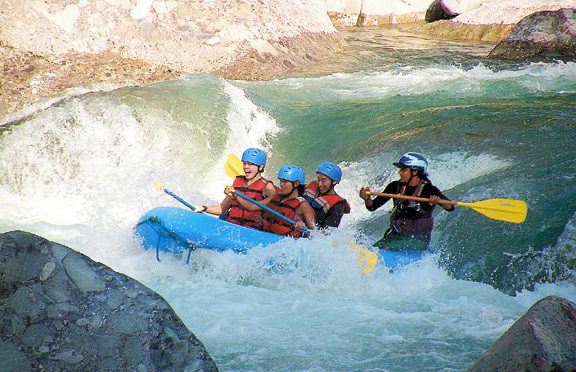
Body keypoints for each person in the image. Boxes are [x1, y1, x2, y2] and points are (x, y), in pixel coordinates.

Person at [359, 152, 454, 251]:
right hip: (395, 236)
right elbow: (372, 207)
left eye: (403, 170)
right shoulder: (395, 186)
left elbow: (450, 207)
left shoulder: (429, 189)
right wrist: (367, 199)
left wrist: (438, 200)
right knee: (369, 250)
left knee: (384, 249)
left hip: (417, 240)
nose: (400, 172)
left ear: (415, 172)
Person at [227, 165, 316, 238]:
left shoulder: (303, 205)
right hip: (264, 237)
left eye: (285, 182)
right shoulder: (274, 197)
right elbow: (251, 207)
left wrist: (303, 227)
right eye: (280, 181)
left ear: (296, 184)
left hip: (282, 244)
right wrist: (236, 196)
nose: (281, 184)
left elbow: (313, 232)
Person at [199, 148, 277, 230]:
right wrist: (204, 208)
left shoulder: (267, 187)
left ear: (260, 167)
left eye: (250, 164)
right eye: (244, 163)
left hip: (252, 231)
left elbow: (252, 207)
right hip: (231, 226)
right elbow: (221, 209)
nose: (245, 167)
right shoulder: (238, 181)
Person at [303, 161, 351, 229]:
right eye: (318, 179)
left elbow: (327, 234)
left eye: (323, 180)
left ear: (334, 181)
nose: (319, 184)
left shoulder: (338, 206)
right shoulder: (313, 188)